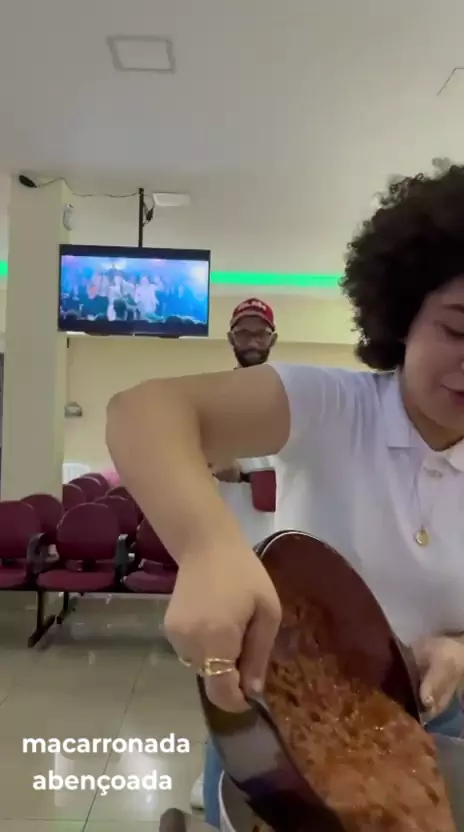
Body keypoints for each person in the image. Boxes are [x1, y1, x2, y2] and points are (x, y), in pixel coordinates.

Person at [106, 166, 464, 824]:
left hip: (435, 720)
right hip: (287, 708)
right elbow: (143, 410)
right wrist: (209, 549)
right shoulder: (333, 407)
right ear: (404, 316)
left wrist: (458, 649)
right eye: (457, 332)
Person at [189, 298, 278, 820]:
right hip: (221, 561)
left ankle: (262, 791)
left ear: (272, 339)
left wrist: (243, 472)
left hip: (276, 560)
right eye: (243, 332)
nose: (251, 340)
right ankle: (215, 789)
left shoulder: (288, 401)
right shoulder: (211, 401)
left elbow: (293, 476)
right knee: (218, 680)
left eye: (259, 332)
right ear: (230, 339)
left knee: (266, 687)